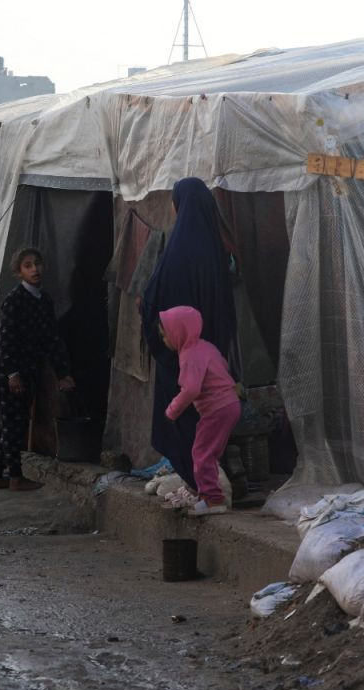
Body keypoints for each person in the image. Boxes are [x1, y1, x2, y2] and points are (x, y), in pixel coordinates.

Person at [140, 177, 236, 505]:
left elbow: (154, 301)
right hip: (211, 357)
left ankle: (202, 487)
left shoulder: (178, 253)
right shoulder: (213, 250)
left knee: (182, 421)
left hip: (179, 355)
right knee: (206, 421)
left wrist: (162, 337)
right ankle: (203, 484)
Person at [0, 247, 75, 492]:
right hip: (8, 368)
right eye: (27, 265)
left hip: (30, 368)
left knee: (19, 421)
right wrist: (12, 373)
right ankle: (15, 477)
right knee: (13, 423)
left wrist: (62, 372)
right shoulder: (14, 301)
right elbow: (6, 341)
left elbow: (51, 339)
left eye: (37, 263)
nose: (34, 269)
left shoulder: (44, 301)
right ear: (18, 272)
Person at [159, 306, 241, 516]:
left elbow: (191, 389)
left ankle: (213, 500)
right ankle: (208, 495)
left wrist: (171, 411)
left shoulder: (190, 354)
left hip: (217, 408)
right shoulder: (206, 347)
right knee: (210, 453)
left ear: (178, 332)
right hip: (229, 404)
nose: (164, 340)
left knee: (202, 453)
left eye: (165, 334)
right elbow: (222, 367)